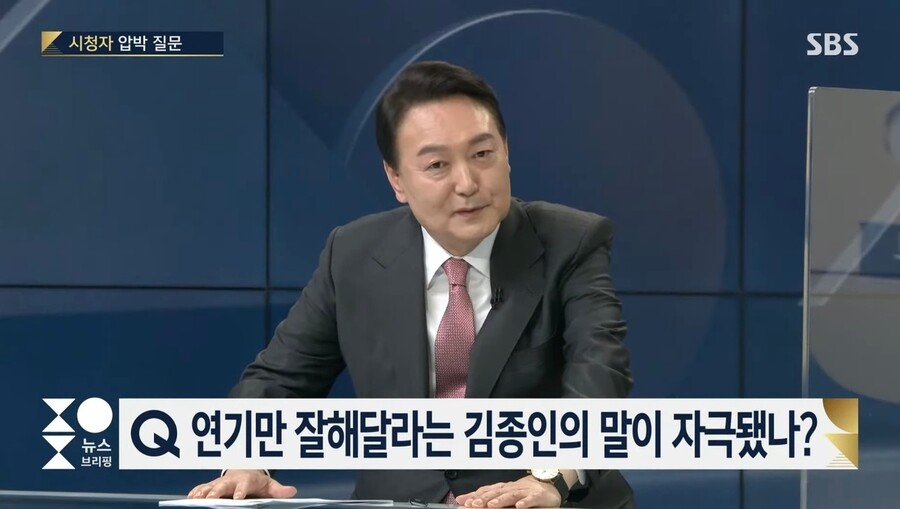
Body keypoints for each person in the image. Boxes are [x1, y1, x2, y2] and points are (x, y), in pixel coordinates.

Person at [188, 61, 633, 508]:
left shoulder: (571, 241)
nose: (467, 183)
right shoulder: (354, 254)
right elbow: (280, 379)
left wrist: (550, 478)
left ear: (507, 152)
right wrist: (247, 462)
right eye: (438, 164)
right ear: (397, 179)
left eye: (483, 154)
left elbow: (600, 374)